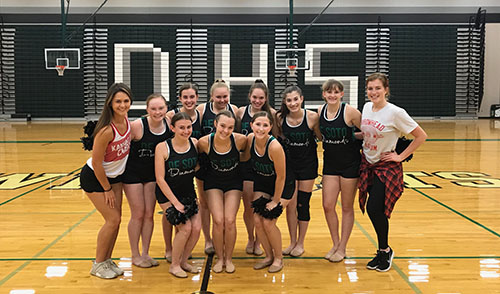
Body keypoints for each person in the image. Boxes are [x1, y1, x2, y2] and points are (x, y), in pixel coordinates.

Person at [359, 73, 427, 272]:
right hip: (368, 165)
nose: (373, 92)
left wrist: (400, 156)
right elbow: (367, 133)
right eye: (370, 88)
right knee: (377, 211)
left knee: (374, 209)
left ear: (386, 89)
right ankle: (382, 251)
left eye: (378, 88)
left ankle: (385, 250)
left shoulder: (396, 112)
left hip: (385, 168)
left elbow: (421, 136)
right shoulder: (366, 107)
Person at [79, 83, 133, 279]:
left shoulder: (127, 121)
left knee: (116, 222)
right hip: (95, 178)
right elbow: (97, 163)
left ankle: (107, 260)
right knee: (112, 219)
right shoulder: (105, 131)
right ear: (110, 103)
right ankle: (98, 264)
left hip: (115, 178)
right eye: (118, 101)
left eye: (126, 101)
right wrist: (107, 189)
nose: (122, 105)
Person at [122, 93, 171, 268]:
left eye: (161, 108)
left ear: (166, 109)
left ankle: (145, 253)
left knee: (149, 214)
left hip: (152, 176)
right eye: (153, 109)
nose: (157, 112)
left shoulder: (169, 126)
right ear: (147, 110)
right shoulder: (137, 126)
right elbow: (120, 147)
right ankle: (135, 255)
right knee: (138, 214)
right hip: (132, 175)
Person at [243, 111, 295, 273]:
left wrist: (275, 200)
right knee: (257, 220)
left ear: (270, 127)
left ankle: (278, 258)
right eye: (258, 124)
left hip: (282, 186)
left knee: (268, 221)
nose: (261, 128)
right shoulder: (250, 139)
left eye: (265, 125)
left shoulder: (274, 147)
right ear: (251, 125)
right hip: (263, 184)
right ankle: (268, 256)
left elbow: (281, 177)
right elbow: (243, 157)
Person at [317, 79, 362, 262]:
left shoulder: (350, 111)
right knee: (327, 205)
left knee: (346, 207)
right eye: (329, 92)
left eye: (336, 92)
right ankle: (335, 243)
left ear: (342, 94)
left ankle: (343, 247)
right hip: (330, 164)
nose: (332, 95)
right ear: (324, 94)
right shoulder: (320, 111)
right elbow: (319, 135)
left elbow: (367, 132)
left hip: (350, 164)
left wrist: (352, 136)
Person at [197, 110, 247, 273]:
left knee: (230, 220)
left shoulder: (240, 140)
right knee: (218, 220)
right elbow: (198, 166)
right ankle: (219, 258)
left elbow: (246, 159)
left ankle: (229, 258)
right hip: (213, 183)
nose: (226, 131)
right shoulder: (204, 143)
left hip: (233, 182)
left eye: (230, 127)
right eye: (223, 126)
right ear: (215, 124)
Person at [275, 85, 321, 257]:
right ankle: (292, 241)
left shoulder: (312, 117)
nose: (293, 103)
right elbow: (278, 139)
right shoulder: (280, 119)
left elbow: (319, 137)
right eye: (289, 100)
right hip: (290, 165)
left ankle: (301, 243)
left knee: (303, 203)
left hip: (308, 165)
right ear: (285, 102)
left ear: (301, 99)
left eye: (295, 99)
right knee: (290, 205)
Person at [155, 112, 202, 278]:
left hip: (188, 192)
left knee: (196, 228)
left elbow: (197, 167)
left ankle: (183, 261)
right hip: (167, 195)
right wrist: (175, 203)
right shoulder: (162, 147)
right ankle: (174, 266)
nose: (186, 131)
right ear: (172, 128)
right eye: (181, 127)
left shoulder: (195, 143)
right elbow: (160, 179)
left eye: (189, 127)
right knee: (185, 228)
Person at [163, 83, 206, 262]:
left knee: (191, 224)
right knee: (172, 218)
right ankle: (169, 249)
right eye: (185, 97)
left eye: (192, 97)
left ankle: (181, 255)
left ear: (197, 98)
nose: (189, 100)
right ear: (180, 99)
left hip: (187, 174)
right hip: (169, 169)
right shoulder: (170, 116)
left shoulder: (201, 115)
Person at [195, 79, 239, 256]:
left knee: (227, 215)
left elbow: (238, 136)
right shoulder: (201, 110)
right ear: (211, 96)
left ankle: (225, 245)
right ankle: (208, 240)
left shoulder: (233, 110)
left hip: (226, 160)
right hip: (207, 162)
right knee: (205, 204)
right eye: (218, 97)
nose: (222, 100)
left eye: (225, 96)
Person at [236, 79, 275, 256]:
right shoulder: (241, 112)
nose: (257, 101)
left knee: (259, 206)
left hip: (264, 166)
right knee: (248, 207)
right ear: (250, 97)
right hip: (245, 164)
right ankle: (251, 238)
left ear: (266, 98)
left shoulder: (272, 114)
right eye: (254, 97)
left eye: (261, 98)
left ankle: (259, 242)